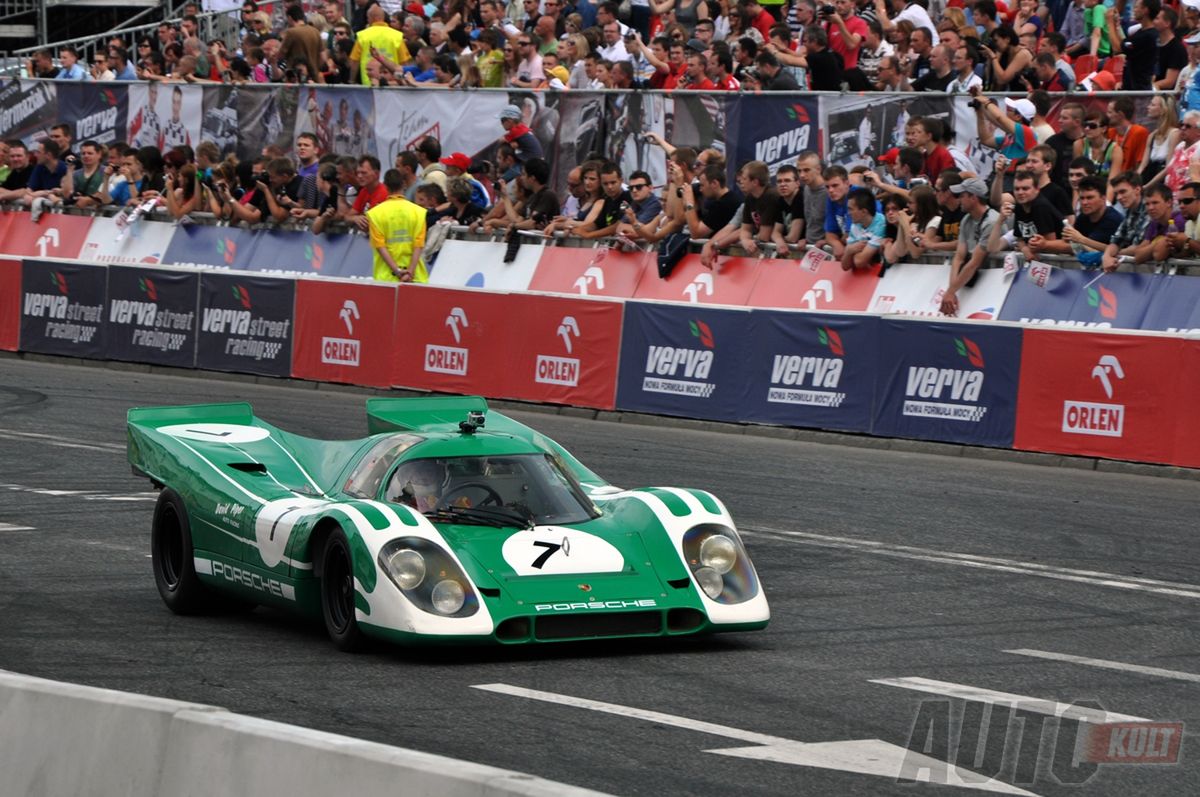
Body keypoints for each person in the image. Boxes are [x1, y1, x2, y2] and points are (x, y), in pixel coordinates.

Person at [940, 176, 1001, 316]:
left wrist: (951, 291)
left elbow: (974, 262)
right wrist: (952, 289)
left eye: (961, 196)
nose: (958, 200)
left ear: (973, 197)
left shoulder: (991, 221)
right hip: (976, 277)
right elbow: (959, 257)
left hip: (994, 281)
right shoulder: (966, 219)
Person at [989, 169, 1064, 261]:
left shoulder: (1041, 206)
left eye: (1025, 188)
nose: (1020, 192)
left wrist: (1028, 249)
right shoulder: (1020, 206)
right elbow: (1019, 238)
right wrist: (1000, 220)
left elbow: (1050, 243)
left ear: (1037, 190)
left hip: (1061, 261)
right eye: (1017, 189)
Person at [368, 168, 428, 283]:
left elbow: (381, 247)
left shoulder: (375, 214)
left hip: (386, 278)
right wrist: (410, 272)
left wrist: (397, 271)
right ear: (404, 184)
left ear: (385, 186)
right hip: (416, 278)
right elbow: (418, 245)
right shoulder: (419, 212)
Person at [1100, 172, 1151, 272]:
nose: (1118, 197)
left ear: (1137, 190)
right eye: (1116, 194)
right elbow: (1116, 240)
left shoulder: (1149, 209)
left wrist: (1114, 255)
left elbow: (1137, 247)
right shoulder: (1130, 211)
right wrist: (1106, 257)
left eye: (1123, 192)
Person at [350, 5, 411, 86]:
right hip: (393, 84)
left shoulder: (362, 36)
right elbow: (404, 62)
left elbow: (354, 62)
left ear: (372, 18)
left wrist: (351, 81)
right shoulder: (397, 36)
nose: (367, 21)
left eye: (367, 18)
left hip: (368, 84)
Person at [1074, 109, 1123, 198]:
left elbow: (1111, 183)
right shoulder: (1079, 145)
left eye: (1092, 126)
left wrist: (1107, 204)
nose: (1087, 129)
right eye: (1085, 125)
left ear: (1103, 129)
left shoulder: (1115, 150)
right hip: (1085, 193)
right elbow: (1076, 179)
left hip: (1105, 193)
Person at [841, 189, 886, 270]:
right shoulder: (855, 226)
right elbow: (845, 266)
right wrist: (848, 250)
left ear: (864, 212)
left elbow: (859, 262)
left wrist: (852, 252)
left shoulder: (881, 223)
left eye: (851, 209)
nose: (848, 213)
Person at [796, 151, 828, 246]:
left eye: (806, 170)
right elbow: (811, 222)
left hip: (828, 248)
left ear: (818, 169)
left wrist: (827, 241)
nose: (802, 175)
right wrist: (806, 239)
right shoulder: (806, 189)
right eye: (799, 171)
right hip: (810, 246)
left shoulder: (829, 190)